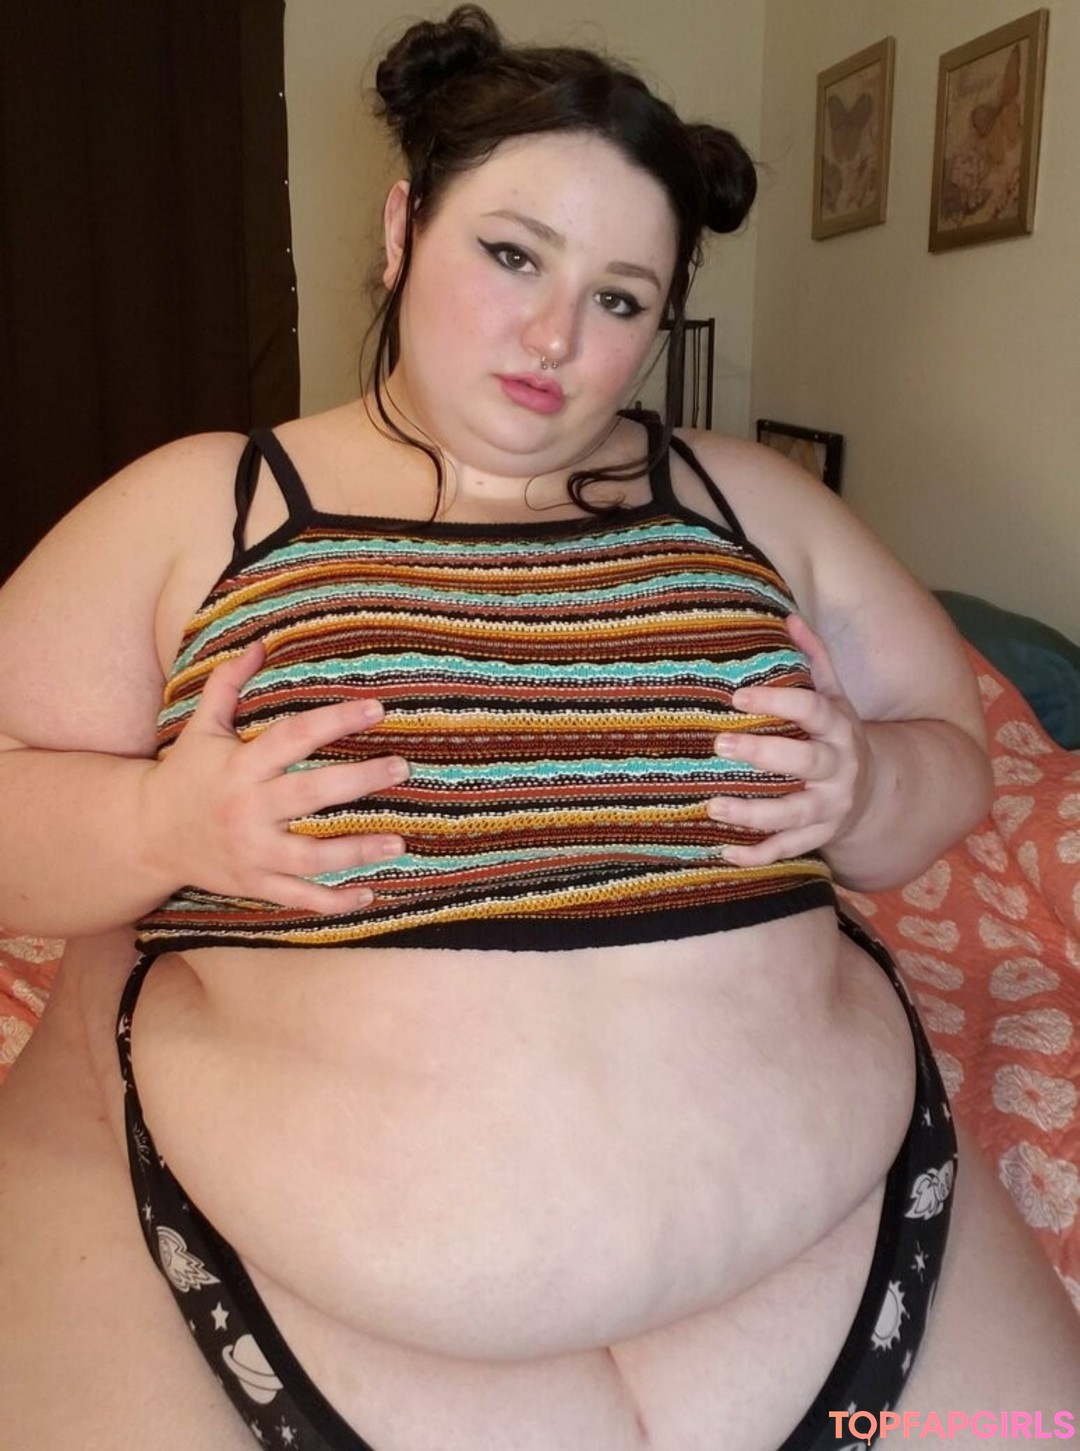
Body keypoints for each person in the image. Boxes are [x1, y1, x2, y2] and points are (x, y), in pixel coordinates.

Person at [1, 7, 1077, 1448]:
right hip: (275, 1309)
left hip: (867, 1255)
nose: (558, 337)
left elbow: (956, 745)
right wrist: (158, 822)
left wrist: (870, 782)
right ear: (404, 228)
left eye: (621, 298)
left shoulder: (752, 502)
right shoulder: (212, 503)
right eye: (513, 255)